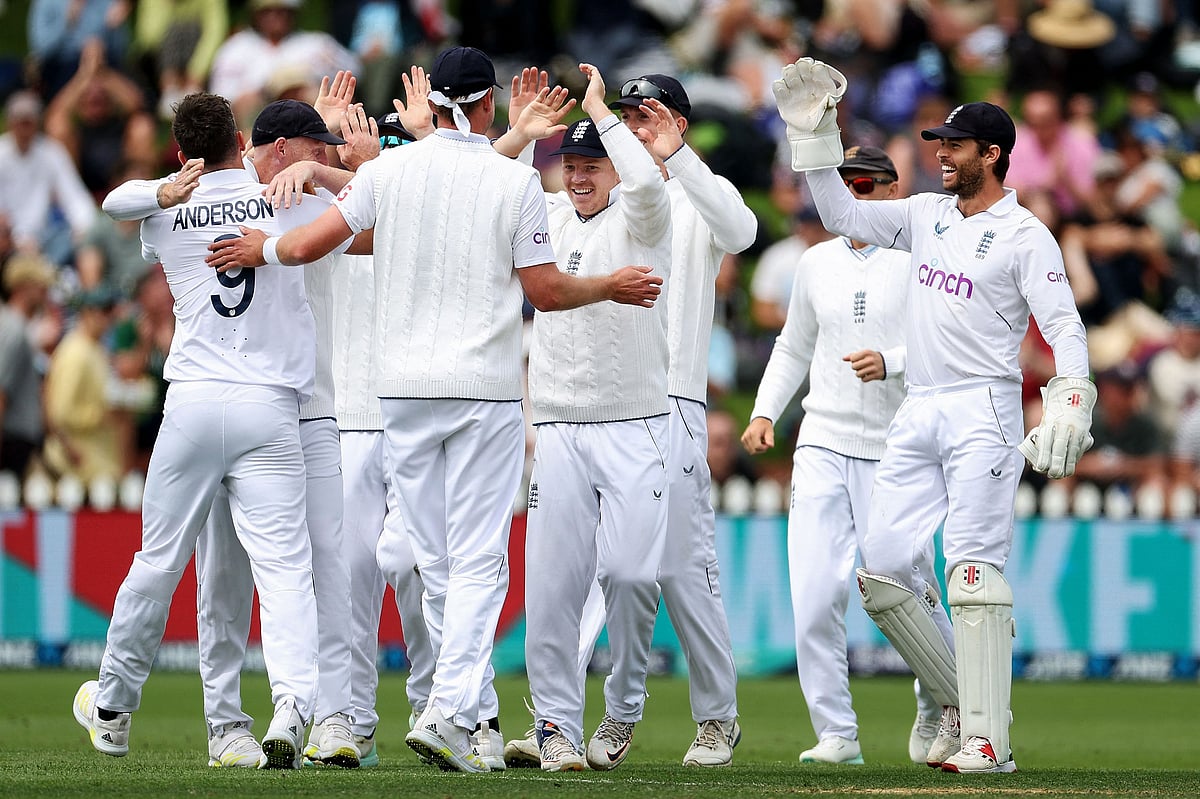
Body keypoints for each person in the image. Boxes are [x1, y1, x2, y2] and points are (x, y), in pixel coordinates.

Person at [205, 46, 663, 774]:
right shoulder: (511, 182)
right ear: (485, 106)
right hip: (480, 393)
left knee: (424, 556)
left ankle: (449, 711)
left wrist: (262, 248)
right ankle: (451, 711)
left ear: (434, 105)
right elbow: (543, 293)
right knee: (473, 561)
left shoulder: (388, 173)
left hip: (402, 394)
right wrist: (609, 285)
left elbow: (317, 241)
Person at [772, 59, 1094, 774]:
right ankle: (964, 699)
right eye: (938, 146)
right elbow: (843, 215)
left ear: (992, 155)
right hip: (919, 409)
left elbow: (1064, 326)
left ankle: (988, 742)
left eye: (953, 147)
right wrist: (817, 139)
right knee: (884, 569)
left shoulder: (1023, 234)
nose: (940, 156)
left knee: (972, 571)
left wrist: (1071, 395)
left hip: (984, 405)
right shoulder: (925, 214)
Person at [502, 70, 758, 770]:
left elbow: (741, 229)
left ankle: (714, 717)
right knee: (588, 571)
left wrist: (676, 155)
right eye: (626, 118)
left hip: (669, 400)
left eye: (646, 117)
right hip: (596, 402)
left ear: (673, 122)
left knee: (675, 567)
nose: (633, 127)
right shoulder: (597, 192)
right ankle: (573, 717)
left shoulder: (684, 192)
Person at [102, 97, 365, 768]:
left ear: (177, 148)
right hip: (270, 406)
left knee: (159, 562)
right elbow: (374, 208)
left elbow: (113, 202)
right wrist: (325, 171)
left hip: (190, 402)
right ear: (243, 140)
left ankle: (112, 705)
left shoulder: (162, 209)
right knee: (283, 573)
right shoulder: (282, 195)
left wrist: (165, 188)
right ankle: (293, 708)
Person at [494, 63, 672, 774]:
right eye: (570, 164)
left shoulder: (642, 215)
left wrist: (602, 112)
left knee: (630, 575)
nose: (578, 176)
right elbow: (480, 181)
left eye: (591, 163)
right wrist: (517, 133)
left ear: (612, 164)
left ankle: (623, 707)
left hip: (635, 421)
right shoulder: (543, 215)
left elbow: (651, 182)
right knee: (552, 589)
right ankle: (554, 729)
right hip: (562, 427)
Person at [740, 145, 940, 766]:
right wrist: (765, 411)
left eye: (865, 184)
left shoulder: (917, 260)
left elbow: (942, 349)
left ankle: (941, 700)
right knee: (815, 595)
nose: (852, 194)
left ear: (891, 190)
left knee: (907, 584)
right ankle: (836, 734)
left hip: (897, 448)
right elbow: (793, 346)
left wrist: (893, 363)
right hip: (824, 441)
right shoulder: (816, 262)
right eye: (842, 183)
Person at [42, 287, 123, 483]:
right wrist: (101, 414)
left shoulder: (95, 348)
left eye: (109, 312)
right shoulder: (75, 352)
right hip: (77, 461)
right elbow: (60, 412)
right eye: (103, 311)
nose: (108, 318)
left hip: (95, 455)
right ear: (87, 313)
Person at [0, 254, 56, 477]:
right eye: (41, 287)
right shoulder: (13, 329)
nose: (46, 293)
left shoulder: (16, 326)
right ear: (23, 287)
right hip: (12, 440)